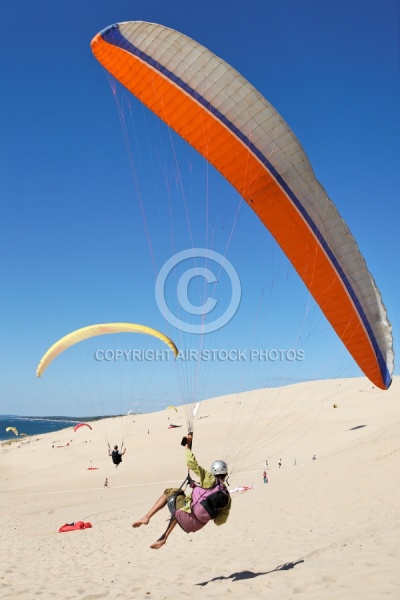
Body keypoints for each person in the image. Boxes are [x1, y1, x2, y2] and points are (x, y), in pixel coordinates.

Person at [132, 433, 231, 549]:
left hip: (185, 514)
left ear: (213, 471)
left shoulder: (209, 478)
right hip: (194, 526)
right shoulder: (227, 498)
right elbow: (219, 522)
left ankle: (147, 517)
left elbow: (191, 463)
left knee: (170, 492)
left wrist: (187, 446)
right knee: (182, 507)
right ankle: (164, 537)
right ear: (225, 474)